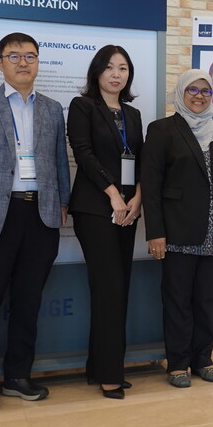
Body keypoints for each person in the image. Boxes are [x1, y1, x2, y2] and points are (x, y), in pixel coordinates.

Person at [0, 32, 71, 410]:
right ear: (0, 63)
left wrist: (62, 203)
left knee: (28, 301)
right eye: (14, 56)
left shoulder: (51, 108)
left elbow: (59, 161)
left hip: (40, 213)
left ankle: (19, 376)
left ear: (38, 62)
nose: (23, 63)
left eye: (30, 56)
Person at [141, 70, 213, 388]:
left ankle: (203, 359)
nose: (199, 96)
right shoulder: (162, 130)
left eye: (205, 91)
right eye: (193, 90)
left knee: (206, 299)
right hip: (178, 230)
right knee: (177, 299)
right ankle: (177, 363)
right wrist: (155, 232)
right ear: (181, 93)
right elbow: (151, 185)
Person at [67, 45, 144, 400]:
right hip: (96, 209)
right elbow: (83, 153)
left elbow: (140, 159)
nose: (116, 74)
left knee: (119, 288)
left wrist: (137, 198)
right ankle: (110, 375)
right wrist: (113, 194)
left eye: (123, 68)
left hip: (128, 210)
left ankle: (100, 366)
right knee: (108, 288)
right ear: (97, 71)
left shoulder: (133, 114)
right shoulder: (82, 106)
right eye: (110, 67)